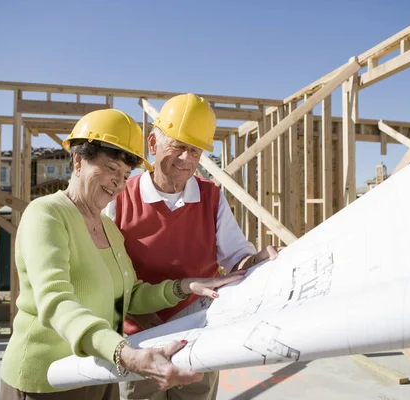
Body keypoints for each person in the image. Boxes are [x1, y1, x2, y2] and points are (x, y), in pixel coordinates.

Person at [0, 109, 245, 400]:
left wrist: (183, 286)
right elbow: (55, 301)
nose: (119, 181)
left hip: (100, 372)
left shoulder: (107, 228)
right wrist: (125, 354)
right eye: (111, 168)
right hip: (50, 380)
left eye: (126, 174)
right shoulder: (47, 214)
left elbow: (130, 295)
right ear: (78, 160)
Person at [103, 94, 280, 400]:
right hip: (140, 342)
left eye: (195, 151)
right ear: (153, 144)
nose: (186, 159)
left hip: (199, 338)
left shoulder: (211, 196)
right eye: (178, 147)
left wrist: (256, 261)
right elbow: (104, 270)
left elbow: (237, 257)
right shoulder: (120, 197)